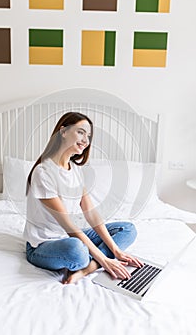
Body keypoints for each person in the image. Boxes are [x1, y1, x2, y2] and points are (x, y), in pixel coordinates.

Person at [24, 111, 143, 284]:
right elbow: (69, 225)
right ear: (63, 132)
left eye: (88, 136)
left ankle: (88, 268)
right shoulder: (43, 172)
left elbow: (91, 214)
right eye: (81, 132)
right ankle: (94, 261)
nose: (86, 140)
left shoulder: (75, 170)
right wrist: (104, 259)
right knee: (76, 250)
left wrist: (116, 251)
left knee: (128, 229)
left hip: (70, 236)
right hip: (43, 245)